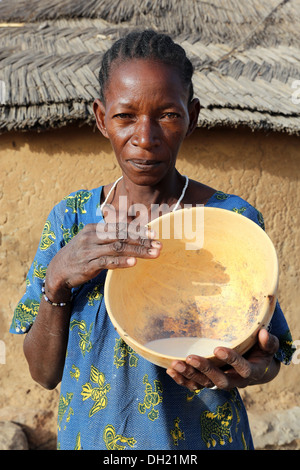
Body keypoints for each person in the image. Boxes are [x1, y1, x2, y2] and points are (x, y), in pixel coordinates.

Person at [10, 30, 294, 450]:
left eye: (167, 115)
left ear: (192, 117)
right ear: (101, 118)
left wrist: (253, 370)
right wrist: (56, 281)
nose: (146, 137)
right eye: (126, 116)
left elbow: (267, 356)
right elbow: (44, 374)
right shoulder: (71, 220)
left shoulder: (231, 222)